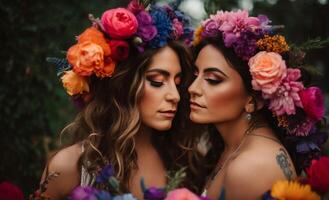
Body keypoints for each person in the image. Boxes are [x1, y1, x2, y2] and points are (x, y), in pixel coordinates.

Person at [36, 1, 204, 199]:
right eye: (157, 82)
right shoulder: (69, 166)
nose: (175, 96)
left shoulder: (184, 160)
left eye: (177, 83)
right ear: (122, 86)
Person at [190, 10, 326, 199]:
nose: (192, 88)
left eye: (213, 79)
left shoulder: (249, 168)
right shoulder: (232, 147)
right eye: (196, 75)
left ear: (253, 100)